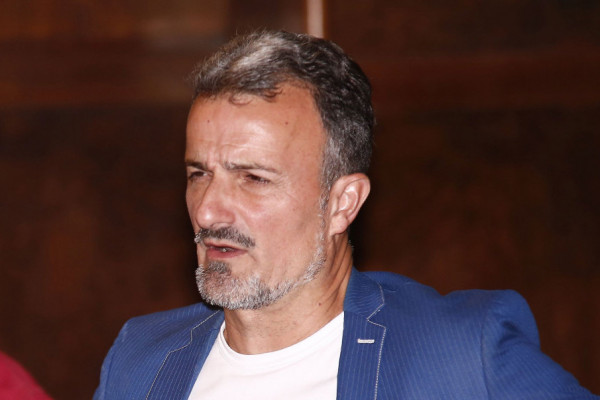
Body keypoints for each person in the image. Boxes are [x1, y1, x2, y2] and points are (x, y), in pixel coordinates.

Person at [93, 30, 598, 399]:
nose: (207, 210)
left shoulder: (462, 353)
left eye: (253, 178)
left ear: (343, 203)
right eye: (198, 173)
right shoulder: (140, 359)